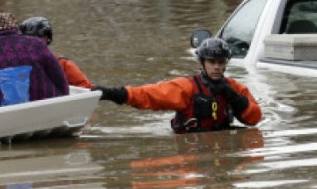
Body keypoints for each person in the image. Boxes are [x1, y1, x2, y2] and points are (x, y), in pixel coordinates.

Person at [92, 38, 262, 133]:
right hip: (191, 147)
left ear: (226, 64)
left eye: (220, 62)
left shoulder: (235, 88)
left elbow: (254, 119)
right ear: (201, 64)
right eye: (211, 62)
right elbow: (146, 95)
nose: (216, 67)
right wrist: (109, 93)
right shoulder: (186, 88)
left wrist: (231, 95)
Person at [0, 12, 68, 107]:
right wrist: (64, 97)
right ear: (17, 28)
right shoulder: (37, 43)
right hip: (40, 102)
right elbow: (57, 75)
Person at [19, 16, 93, 88]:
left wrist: (96, 90)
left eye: (43, 38)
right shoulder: (16, 64)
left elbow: (86, 87)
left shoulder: (62, 64)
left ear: (47, 39)